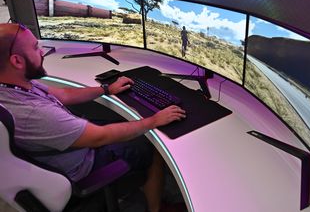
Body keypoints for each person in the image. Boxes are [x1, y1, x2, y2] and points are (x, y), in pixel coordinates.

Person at [0, 23, 186, 212]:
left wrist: (106, 89)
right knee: (149, 143)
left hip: (59, 148)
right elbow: (100, 136)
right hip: (82, 165)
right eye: (34, 47)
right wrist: (154, 120)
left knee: (129, 125)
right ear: (16, 61)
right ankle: (155, 207)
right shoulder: (34, 112)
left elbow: (63, 94)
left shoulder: (12, 85)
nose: (41, 52)